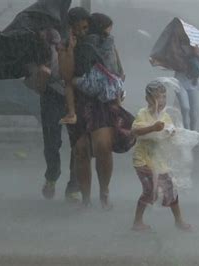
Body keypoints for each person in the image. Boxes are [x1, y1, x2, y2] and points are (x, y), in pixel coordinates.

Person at [64, 8, 135, 209]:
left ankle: (104, 192)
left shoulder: (107, 44)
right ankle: (86, 198)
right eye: (77, 28)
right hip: (79, 101)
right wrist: (70, 49)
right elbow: (67, 77)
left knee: (103, 146)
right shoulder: (71, 45)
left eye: (85, 27)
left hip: (103, 103)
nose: (82, 32)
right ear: (70, 28)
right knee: (80, 151)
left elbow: (119, 71)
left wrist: (116, 89)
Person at [24, 26, 81, 202]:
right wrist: (40, 70)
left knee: (78, 144)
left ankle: (73, 186)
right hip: (51, 96)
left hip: (76, 97)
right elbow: (31, 77)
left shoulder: (76, 38)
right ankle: (52, 176)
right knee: (51, 141)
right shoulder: (37, 45)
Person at [131, 79, 191, 232]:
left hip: (159, 160)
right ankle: (137, 221)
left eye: (164, 97)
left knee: (171, 190)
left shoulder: (165, 117)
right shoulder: (142, 114)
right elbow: (136, 131)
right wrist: (153, 127)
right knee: (149, 190)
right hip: (143, 160)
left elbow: (170, 133)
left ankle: (179, 220)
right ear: (148, 99)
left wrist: (172, 134)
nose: (161, 101)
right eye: (157, 97)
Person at [61, 12, 125, 124]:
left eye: (85, 28)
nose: (82, 32)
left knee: (69, 82)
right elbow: (118, 66)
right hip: (114, 85)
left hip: (95, 84)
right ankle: (120, 114)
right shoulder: (109, 42)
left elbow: (79, 70)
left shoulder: (86, 43)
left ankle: (71, 114)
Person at [174, 46, 199, 130]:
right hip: (179, 82)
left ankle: (193, 131)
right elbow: (174, 63)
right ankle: (186, 129)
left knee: (194, 112)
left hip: (193, 83)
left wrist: (197, 54)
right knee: (185, 108)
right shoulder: (177, 47)